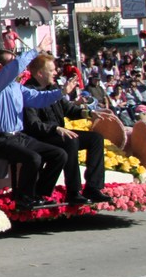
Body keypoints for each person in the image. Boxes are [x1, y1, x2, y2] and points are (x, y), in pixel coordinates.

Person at [0, 46, 76, 211]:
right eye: (12, 63)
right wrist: (36, 50)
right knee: (33, 158)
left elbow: (39, 98)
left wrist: (62, 92)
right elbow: (18, 65)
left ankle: (38, 194)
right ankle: (24, 198)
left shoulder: (16, 87)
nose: (18, 66)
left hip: (18, 137)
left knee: (59, 155)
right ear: (0, 68)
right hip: (0, 140)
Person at [22, 53, 113, 206]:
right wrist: (56, 128)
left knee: (95, 139)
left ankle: (93, 187)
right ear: (40, 73)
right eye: (52, 70)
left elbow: (68, 109)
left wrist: (88, 113)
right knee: (71, 141)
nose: (55, 73)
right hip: (42, 136)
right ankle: (73, 191)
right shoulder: (29, 91)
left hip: (59, 133)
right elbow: (33, 124)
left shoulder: (52, 88)